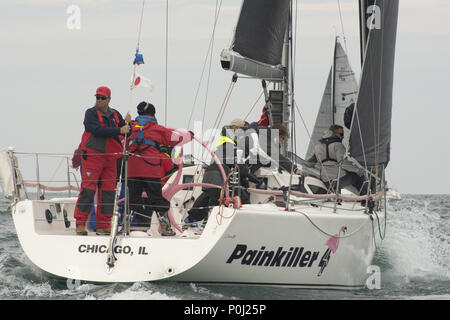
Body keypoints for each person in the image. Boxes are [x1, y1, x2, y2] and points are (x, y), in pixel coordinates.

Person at [126, 101, 193, 236]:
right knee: (156, 198)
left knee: (133, 198)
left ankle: (132, 225)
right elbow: (176, 138)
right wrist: (190, 135)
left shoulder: (130, 127)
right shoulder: (157, 129)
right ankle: (165, 227)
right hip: (150, 170)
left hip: (132, 169)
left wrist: (126, 123)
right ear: (153, 114)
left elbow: (119, 138)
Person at [74, 86, 131, 235]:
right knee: (88, 189)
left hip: (111, 157)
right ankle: (80, 223)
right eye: (97, 97)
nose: (99, 100)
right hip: (93, 156)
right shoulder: (90, 113)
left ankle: (104, 225)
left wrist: (128, 126)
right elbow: (95, 130)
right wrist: (120, 130)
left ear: (109, 99)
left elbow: (126, 131)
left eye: (102, 98)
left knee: (108, 192)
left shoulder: (116, 115)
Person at [185, 118, 251, 227]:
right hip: (219, 177)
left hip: (210, 175)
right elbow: (241, 169)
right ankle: (208, 224)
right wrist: (254, 177)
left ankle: (191, 219)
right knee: (218, 201)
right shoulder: (230, 146)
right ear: (237, 130)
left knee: (208, 196)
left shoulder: (222, 145)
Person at [307, 124, 367, 194]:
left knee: (340, 177)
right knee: (357, 177)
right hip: (339, 179)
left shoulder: (317, 147)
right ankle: (365, 199)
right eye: (341, 134)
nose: (343, 137)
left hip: (326, 180)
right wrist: (358, 170)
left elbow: (309, 163)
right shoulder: (338, 146)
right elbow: (344, 164)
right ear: (334, 133)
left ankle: (334, 195)